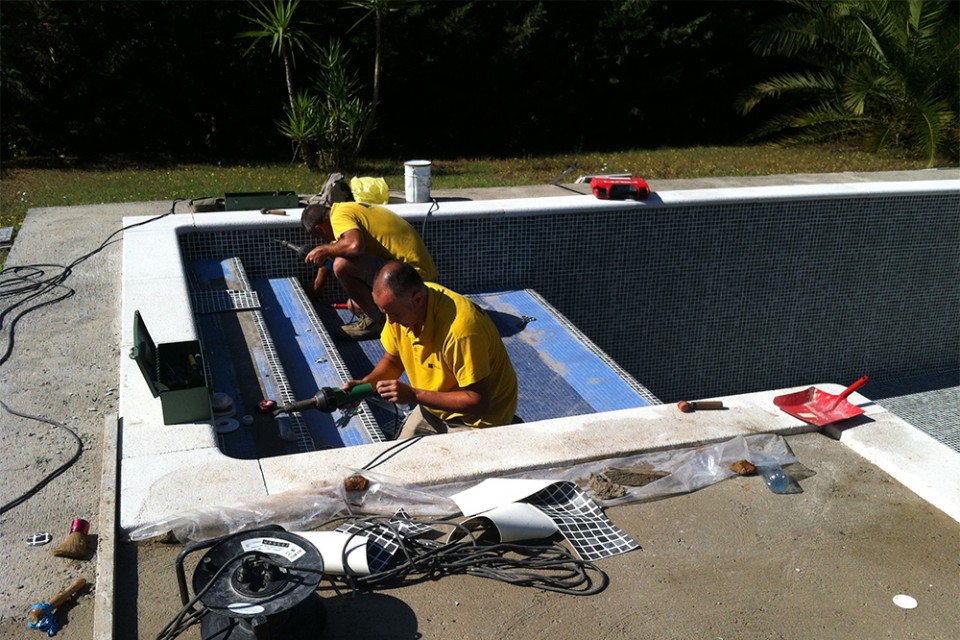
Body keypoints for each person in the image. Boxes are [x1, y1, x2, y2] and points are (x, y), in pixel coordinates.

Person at [345, 260, 518, 439]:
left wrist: (414, 394)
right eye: (385, 313)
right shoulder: (402, 304)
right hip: (434, 407)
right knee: (399, 461)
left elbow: (478, 402)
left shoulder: (461, 331)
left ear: (418, 299)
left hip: (478, 421)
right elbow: (393, 360)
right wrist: (365, 386)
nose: (390, 321)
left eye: (394, 313)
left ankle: (506, 433)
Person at [301, 201, 438, 340]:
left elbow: (354, 245)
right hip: (414, 273)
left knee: (341, 265)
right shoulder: (346, 209)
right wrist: (316, 288)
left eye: (320, 238)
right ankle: (376, 314)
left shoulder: (338, 216)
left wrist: (324, 250)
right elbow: (335, 250)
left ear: (320, 229)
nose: (323, 242)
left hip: (415, 276)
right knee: (351, 297)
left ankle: (377, 322)